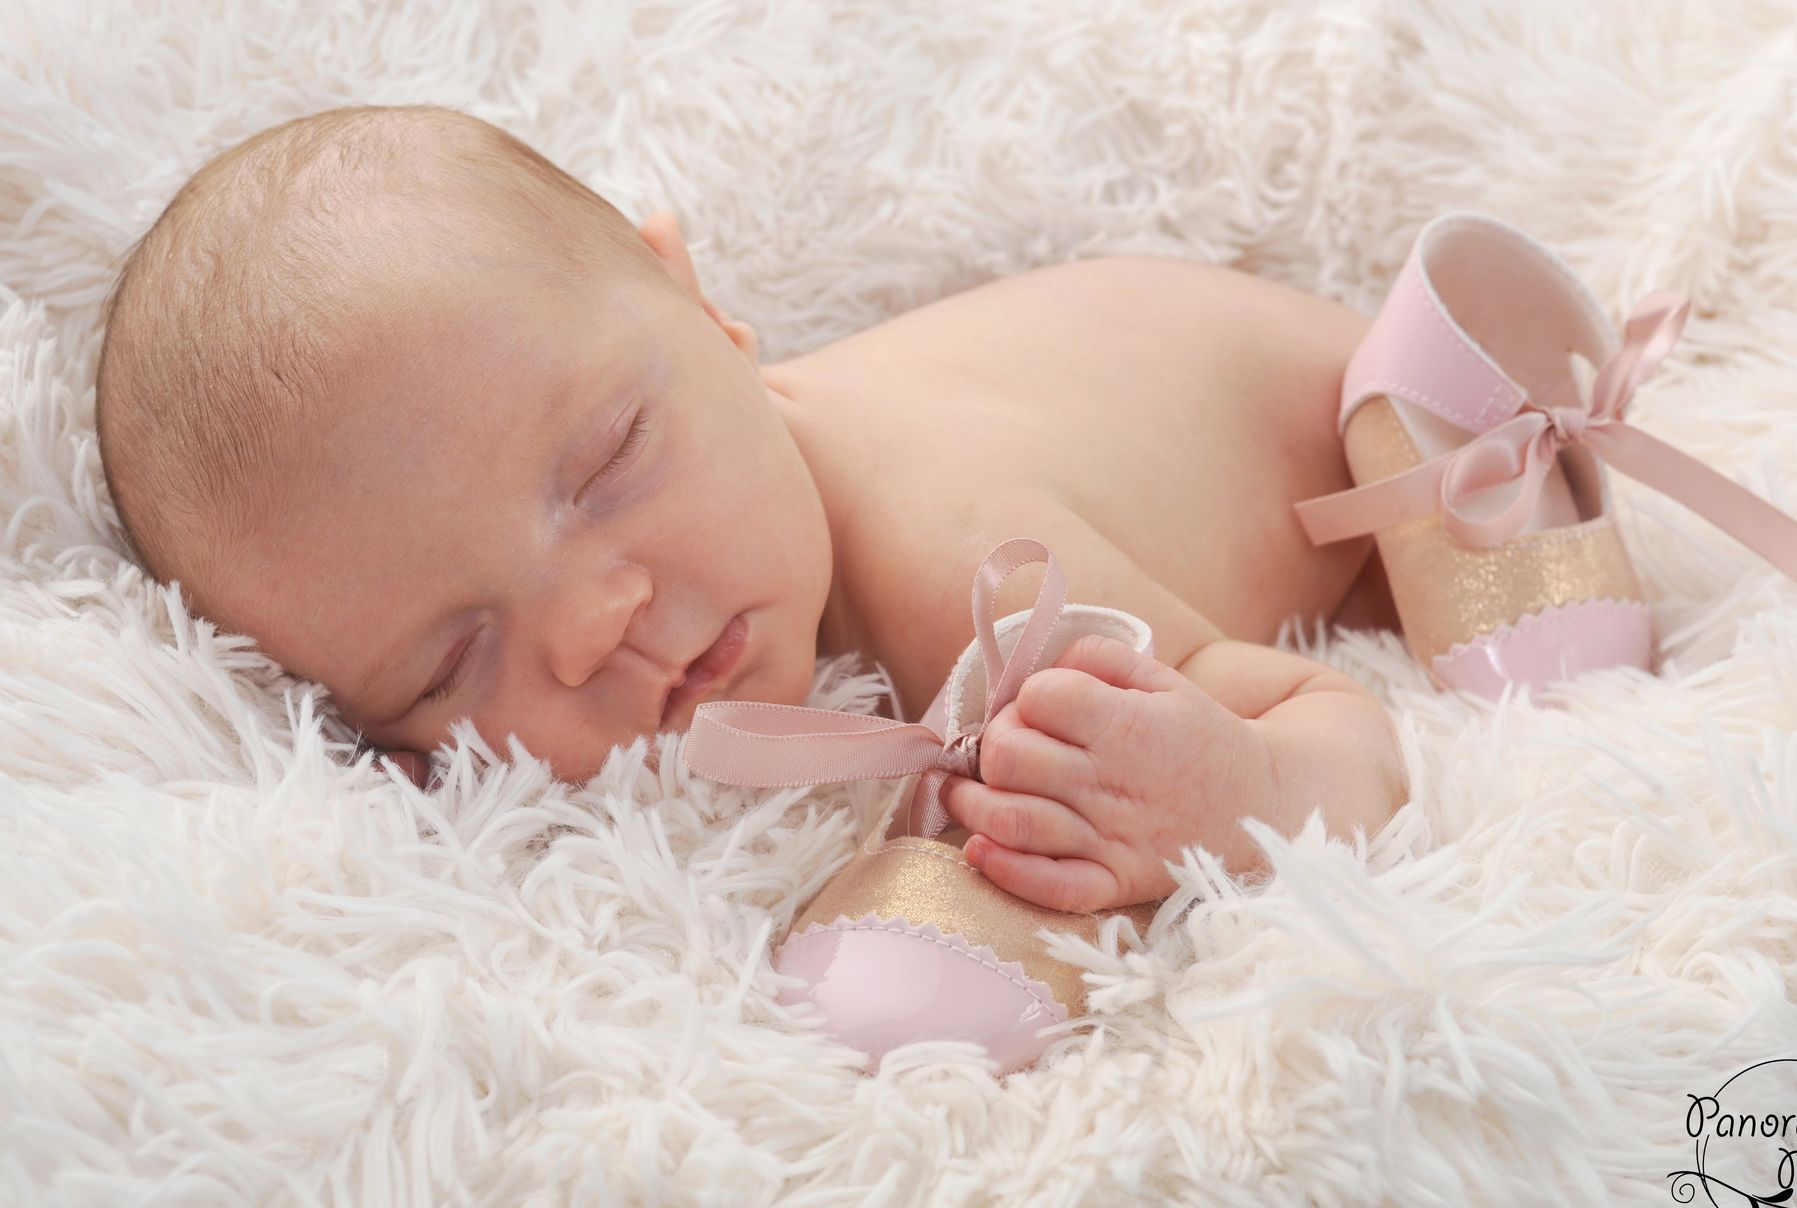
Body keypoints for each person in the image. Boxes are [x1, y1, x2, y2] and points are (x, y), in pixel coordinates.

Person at [93, 103, 1407, 913]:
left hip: (1371, 433)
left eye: (608, 462)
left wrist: (1242, 791)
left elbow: (1347, 733)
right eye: (452, 662)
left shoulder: (974, 568)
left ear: (703, 307)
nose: (597, 624)